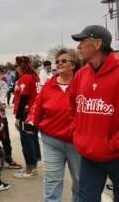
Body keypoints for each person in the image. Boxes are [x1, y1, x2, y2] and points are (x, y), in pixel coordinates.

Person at [70, 25, 119, 202]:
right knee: (86, 199)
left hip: (116, 155)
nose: (78, 47)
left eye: (82, 42)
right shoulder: (81, 75)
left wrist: (111, 145)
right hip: (89, 155)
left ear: (97, 43)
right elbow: (73, 109)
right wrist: (79, 135)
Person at [27, 49, 81, 202]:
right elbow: (37, 107)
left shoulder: (82, 84)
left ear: (74, 65)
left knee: (80, 183)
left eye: (64, 61)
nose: (59, 64)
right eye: (57, 61)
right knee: (52, 183)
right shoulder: (48, 86)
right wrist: (31, 120)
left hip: (76, 143)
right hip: (52, 141)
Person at [0, 65, 22, 170]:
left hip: (0, 116)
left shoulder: (2, 83)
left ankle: (9, 159)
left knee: (5, 137)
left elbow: (1, 98)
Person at [13, 56, 41, 179]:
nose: (16, 68)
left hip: (26, 114)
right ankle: (33, 166)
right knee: (32, 139)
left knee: (27, 141)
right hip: (34, 113)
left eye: (17, 66)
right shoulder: (34, 77)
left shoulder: (25, 78)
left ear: (21, 66)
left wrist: (18, 118)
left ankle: (30, 169)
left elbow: (23, 99)